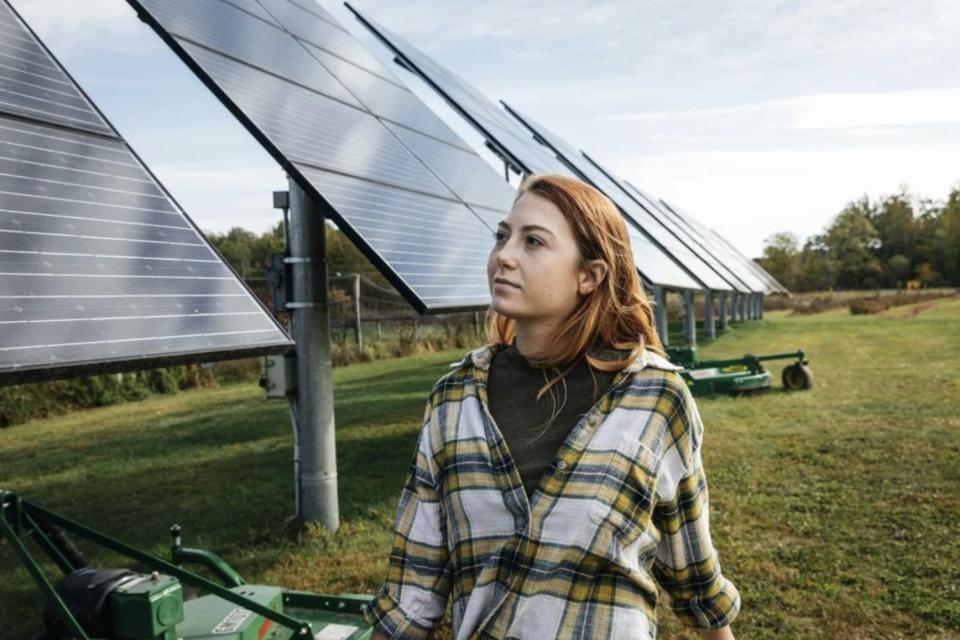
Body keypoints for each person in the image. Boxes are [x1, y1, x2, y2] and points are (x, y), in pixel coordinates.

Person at [364, 175, 740, 639]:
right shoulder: (454, 399)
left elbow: (695, 581)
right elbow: (411, 594)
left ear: (590, 275)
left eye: (534, 242)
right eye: (502, 236)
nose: (504, 255)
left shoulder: (656, 399)